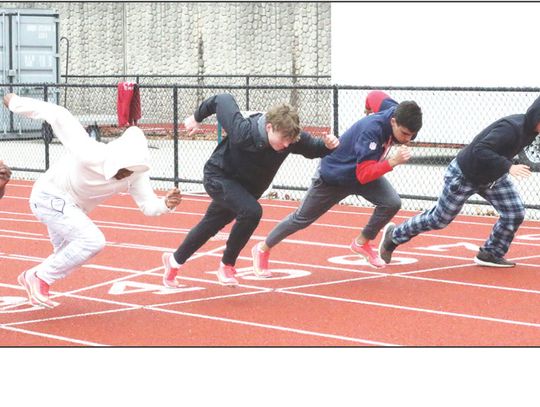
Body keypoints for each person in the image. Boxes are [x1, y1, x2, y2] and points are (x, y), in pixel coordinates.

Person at [3, 93, 182, 308]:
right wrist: (15, 102)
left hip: (73, 209)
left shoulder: (137, 175)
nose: (126, 175)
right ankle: (39, 278)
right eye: (123, 169)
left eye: (132, 171)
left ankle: (33, 276)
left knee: (67, 255)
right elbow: (58, 114)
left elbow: (148, 206)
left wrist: (165, 204)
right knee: (92, 241)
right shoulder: (90, 151)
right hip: (49, 196)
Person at [161, 93, 339, 287]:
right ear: (269, 127)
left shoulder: (290, 139)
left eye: (290, 140)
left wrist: (327, 146)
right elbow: (222, 99)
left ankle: (173, 262)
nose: (286, 145)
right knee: (252, 211)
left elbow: (313, 148)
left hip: (243, 189)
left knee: (210, 225)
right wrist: (196, 117)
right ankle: (227, 266)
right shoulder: (243, 131)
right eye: (283, 139)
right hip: (218, 177)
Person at [252, 100, 423, 275]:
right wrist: (393, 161)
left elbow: (375, 95)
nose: (408, 140)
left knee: (391, 202)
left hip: (362, 171)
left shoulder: (396, 110)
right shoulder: (371, 131)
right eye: (404, 134)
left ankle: (362, 242)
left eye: (412, 135)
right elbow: (364, 174)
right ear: (393, 121)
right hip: (334, 176)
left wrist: (367, 104)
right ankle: (262, 249)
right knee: (301, 219)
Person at [379, 95, 540, 268]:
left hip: (491, 176)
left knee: (514, 212)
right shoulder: (511, 128)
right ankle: (394, 235)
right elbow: (481, 149)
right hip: (465, 174)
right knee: (439, 219)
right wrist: (509, 167)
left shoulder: (532, 131)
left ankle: (490, 253)